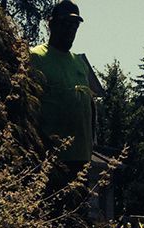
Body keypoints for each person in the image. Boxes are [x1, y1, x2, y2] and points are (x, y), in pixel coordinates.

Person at [28, 1, 95, 185]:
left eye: (75, 24)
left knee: (77, 213)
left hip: (82, 159)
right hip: (51, 159)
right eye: (65, 23)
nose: (70, 29)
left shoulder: (79, 63)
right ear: (51, 24)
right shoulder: (36, 57)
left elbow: (88, 106)